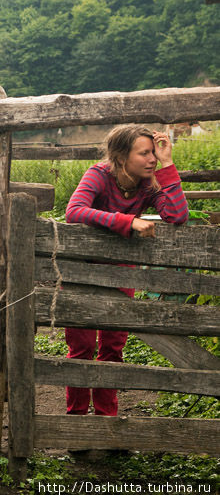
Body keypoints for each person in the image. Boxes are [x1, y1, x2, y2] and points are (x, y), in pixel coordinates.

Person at [64, 124, 188, 416]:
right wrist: (126, 221)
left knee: (113, 349)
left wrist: (168, 164)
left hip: (123, 274)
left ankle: (107, 418)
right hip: (81, 274)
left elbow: (177, 214)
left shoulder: (148, 184)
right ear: (121, 157)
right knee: (81, 348)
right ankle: (76, 419)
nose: (151, 159)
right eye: (144, 153)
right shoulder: (99, 174)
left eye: (153, 153)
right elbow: (75, 210)